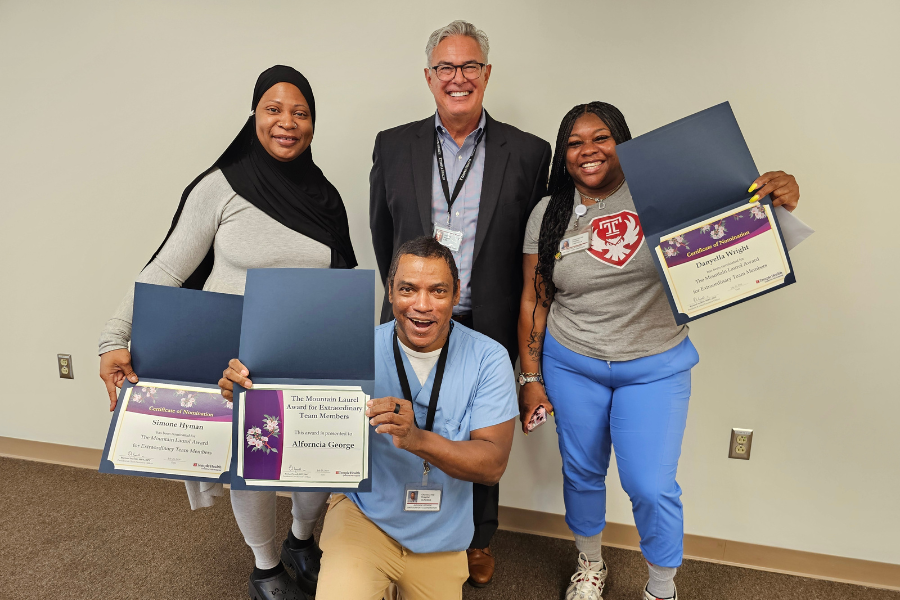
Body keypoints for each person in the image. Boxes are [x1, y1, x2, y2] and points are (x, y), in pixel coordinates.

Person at [517, 102, 800, 600]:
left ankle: (662, 586)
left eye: (601, 138)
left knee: (650, 485)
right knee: (581, 472)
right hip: (572, 362)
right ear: (563, 156)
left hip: (654, 366)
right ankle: (589, 565)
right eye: (575, 142)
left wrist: (777, 194)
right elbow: (534, 298)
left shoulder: (664, 191)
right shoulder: (549, 212)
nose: (588, 151)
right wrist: (531, 377)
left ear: (624, 143)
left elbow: (736, 220)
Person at [98, 66, 357, 600]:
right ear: (255, 114)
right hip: (231, 358)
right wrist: (113, 338)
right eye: (273, 109)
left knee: (317, 458)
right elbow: (166, 270)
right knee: (251, 467)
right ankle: (266, 567)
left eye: (300, 112)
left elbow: (343, 282)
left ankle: (301, 540)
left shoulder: (327, 198)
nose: (287, 122)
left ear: (313, 122)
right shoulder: (221, 186)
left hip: (302, 351)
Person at [220, 237, 519, 600]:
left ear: (457, 294)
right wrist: (250, 395)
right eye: (408, 289)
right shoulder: (352, 348)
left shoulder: (489, 358)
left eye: (437, 291)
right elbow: (295, 413)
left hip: (441, 531)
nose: (421, 306)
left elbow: (491, 466)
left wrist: (417, 439)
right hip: (364, 518)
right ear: (390, 292)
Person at [369, 19, 552, 585]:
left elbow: (532, 245)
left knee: (480, 433)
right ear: (429, 77)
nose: (458, 77)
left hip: (489, 318)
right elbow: (384, 233)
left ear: (487, 74)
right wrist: (414, 298)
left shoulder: (528, 152)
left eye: (469, 66)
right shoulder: (392, 144)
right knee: (401, 421)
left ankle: (477, 538)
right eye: (445, 67)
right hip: (417, 313)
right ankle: (390, 526)